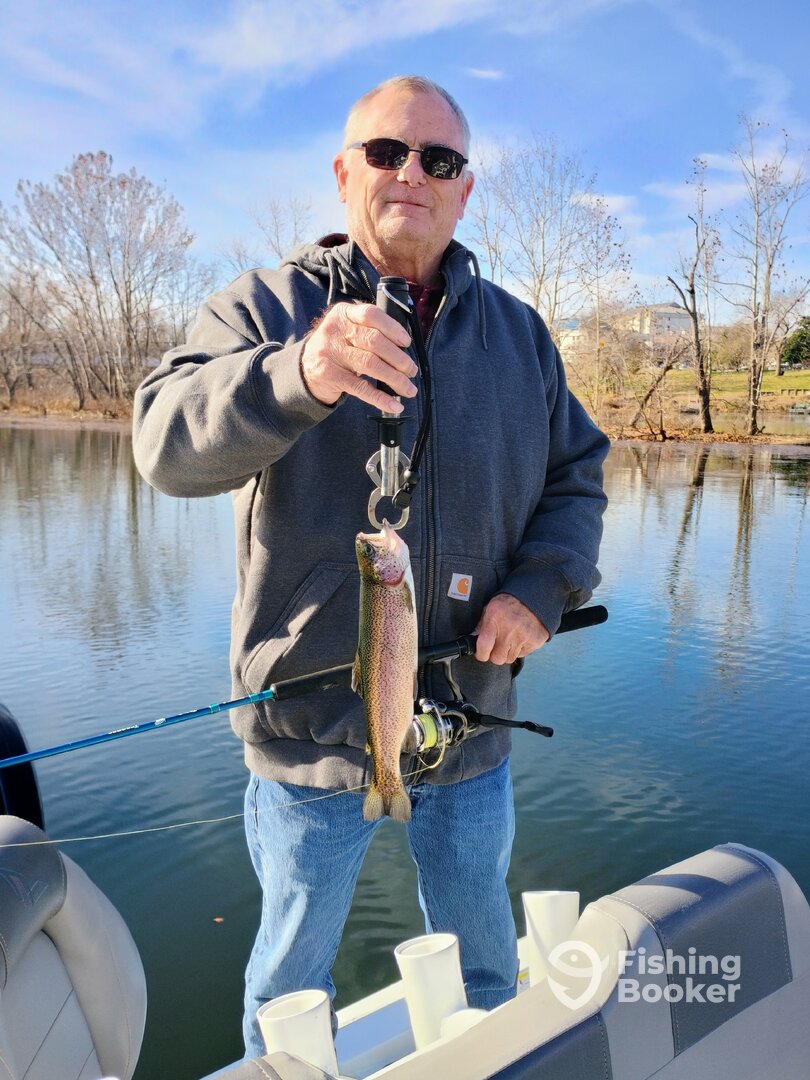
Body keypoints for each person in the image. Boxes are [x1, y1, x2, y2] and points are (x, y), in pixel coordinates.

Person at [132, 75, 609, 1058]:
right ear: (345, 174)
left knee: (487, 969)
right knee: (290, 989)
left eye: (440, 159)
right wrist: (298, 374)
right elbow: (162, 446)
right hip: (309, 732)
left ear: (464, 190)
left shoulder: (521, 337)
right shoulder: (267, 306)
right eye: (387, 152)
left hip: (471, 725)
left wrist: (540, 589)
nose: (411, 174)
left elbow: (579, 475)